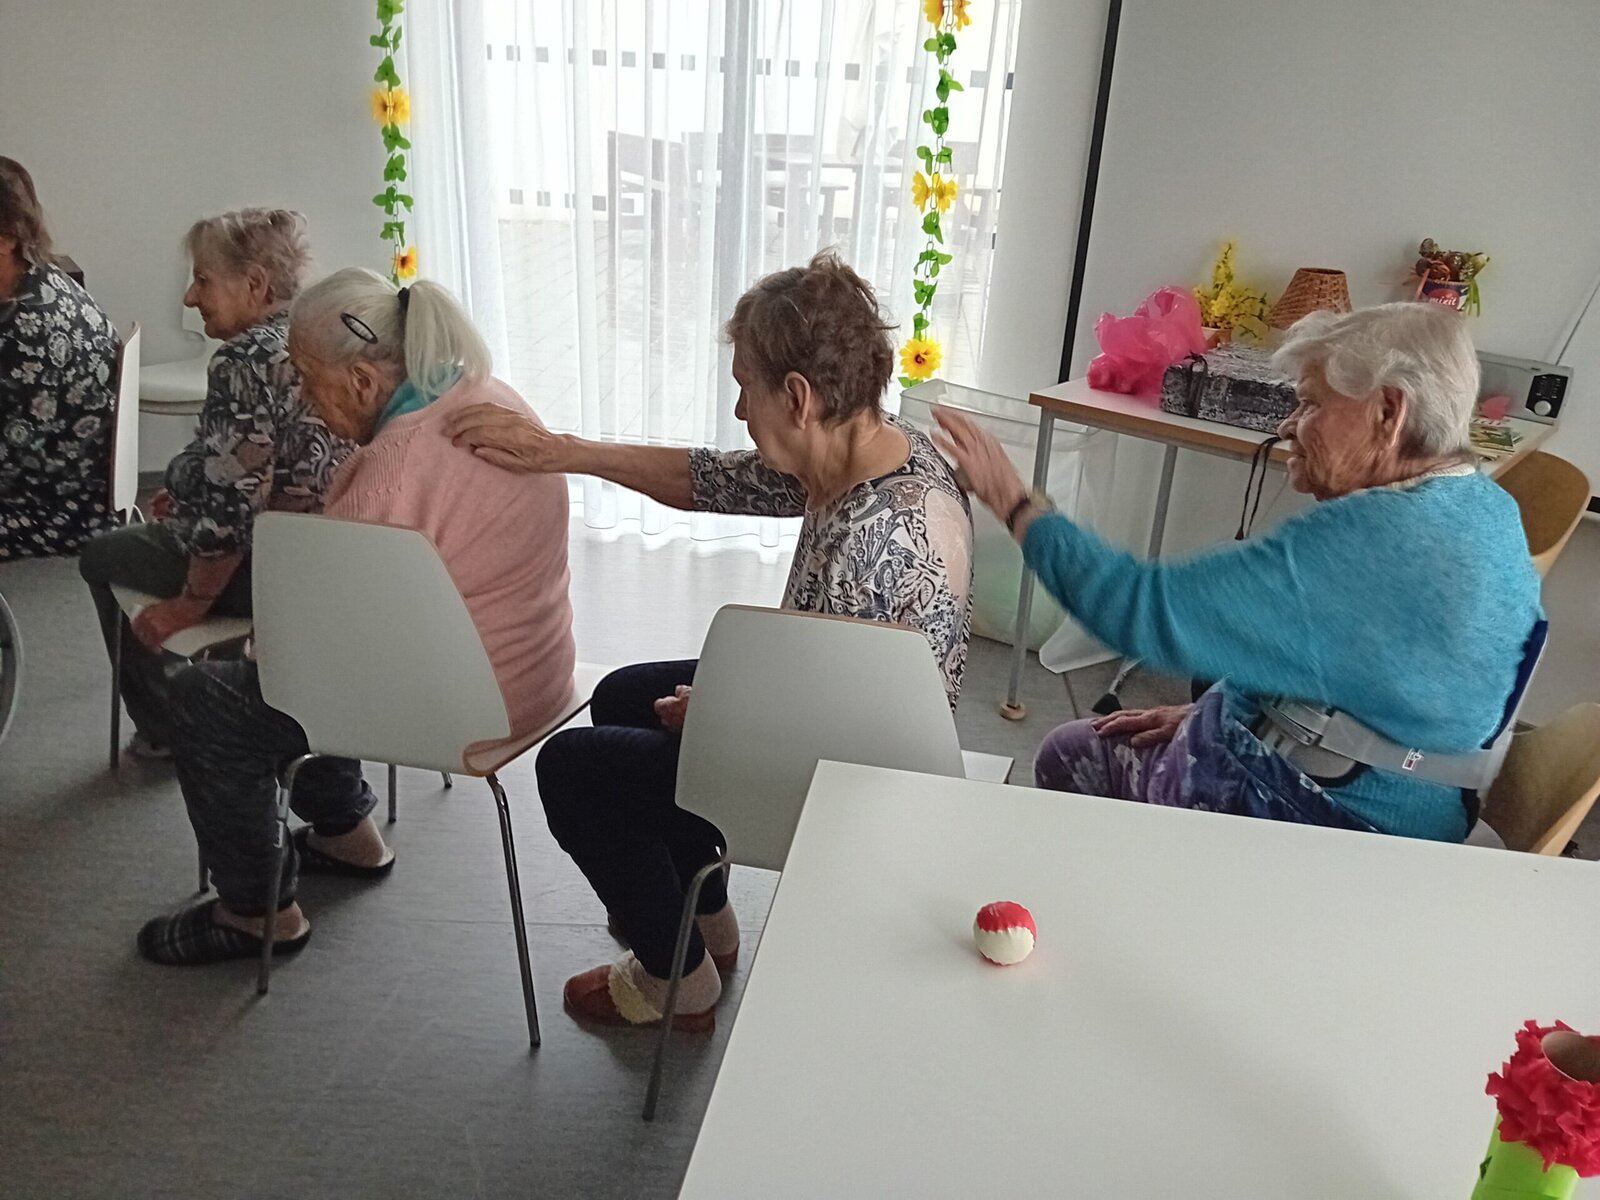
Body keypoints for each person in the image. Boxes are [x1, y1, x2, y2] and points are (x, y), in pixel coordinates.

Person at [446, 251, 973, 1031]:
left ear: (798, 396)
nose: (738, 409)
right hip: (837, 708)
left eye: (745, 388)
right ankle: (707, 925)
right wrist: (565, 452)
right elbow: (716, 480)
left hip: (851, 783)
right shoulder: (876, 446)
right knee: (624, 693)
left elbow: (837, 733)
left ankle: (679, 985)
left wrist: (722, 716)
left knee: (570, 770)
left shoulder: (870, 542)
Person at [935, 302, 1541, 844]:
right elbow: (1370, 670)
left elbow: (1137, 609)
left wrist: (1012, 500)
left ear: (1388, 412)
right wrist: (1221, 713)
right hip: (1420, 796)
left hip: (1345, 823)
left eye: (1312, 404)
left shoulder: (1371, 540)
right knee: (1106, 736)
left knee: (1070, 757)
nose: (1288, 425)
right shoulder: (1487, 507)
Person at [136, 268, 576, 965]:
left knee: (210, 693)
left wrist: (249, 639)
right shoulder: (486, 396)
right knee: (311, 653)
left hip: (468, 706)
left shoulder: (391, 468)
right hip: (537, 674)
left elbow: (305, 652)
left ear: (365, 380)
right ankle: (347, 835)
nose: (304, 401)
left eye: (309, 380)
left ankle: (253, 914)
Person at [79, 208, 353, 760]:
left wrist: (190, 604)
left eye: (203, 280)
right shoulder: (322, 337)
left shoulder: (245, 361)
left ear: (255, 284)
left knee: (100, 555)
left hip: (276, 571)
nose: (189, 297)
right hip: (340, 566)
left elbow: (231, 512)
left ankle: (171, 727)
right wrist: (189, 489)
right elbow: (261, 466)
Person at [0, 157, 120, 560]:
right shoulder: (42, 279)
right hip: (61, 490)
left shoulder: (31, 328)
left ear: (6, 238)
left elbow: (11, 460)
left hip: (55, 512)